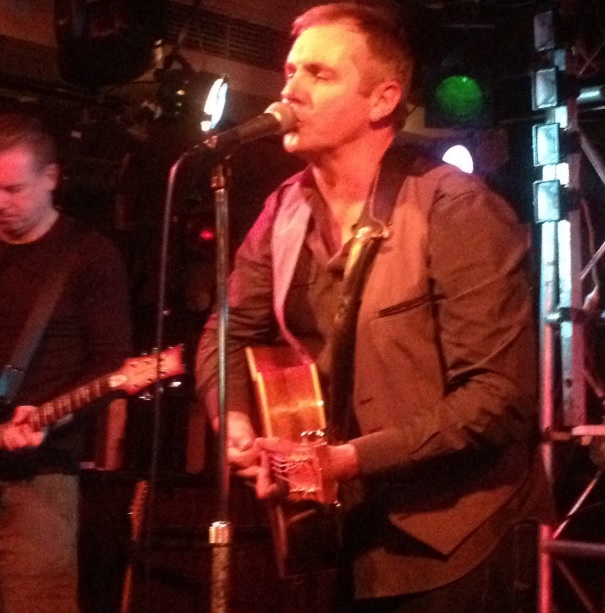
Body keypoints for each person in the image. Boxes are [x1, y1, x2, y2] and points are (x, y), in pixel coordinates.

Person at [196, 3, 552, 612]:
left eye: (320, 74)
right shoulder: (284, 210)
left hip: (456, 541)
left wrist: (348, 460)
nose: (291, 90)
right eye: (291, 72)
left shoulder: (455, 209)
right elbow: (223, 334)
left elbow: (498, 399)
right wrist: (234, 422)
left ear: (383, 100)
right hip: (340, 535)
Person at [0, 110, 132, 612]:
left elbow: (109, 364)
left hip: (41, 475)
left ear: (51, 177)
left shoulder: (88, 255)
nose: (1, 203)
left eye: (14, 189)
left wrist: (50, 417)